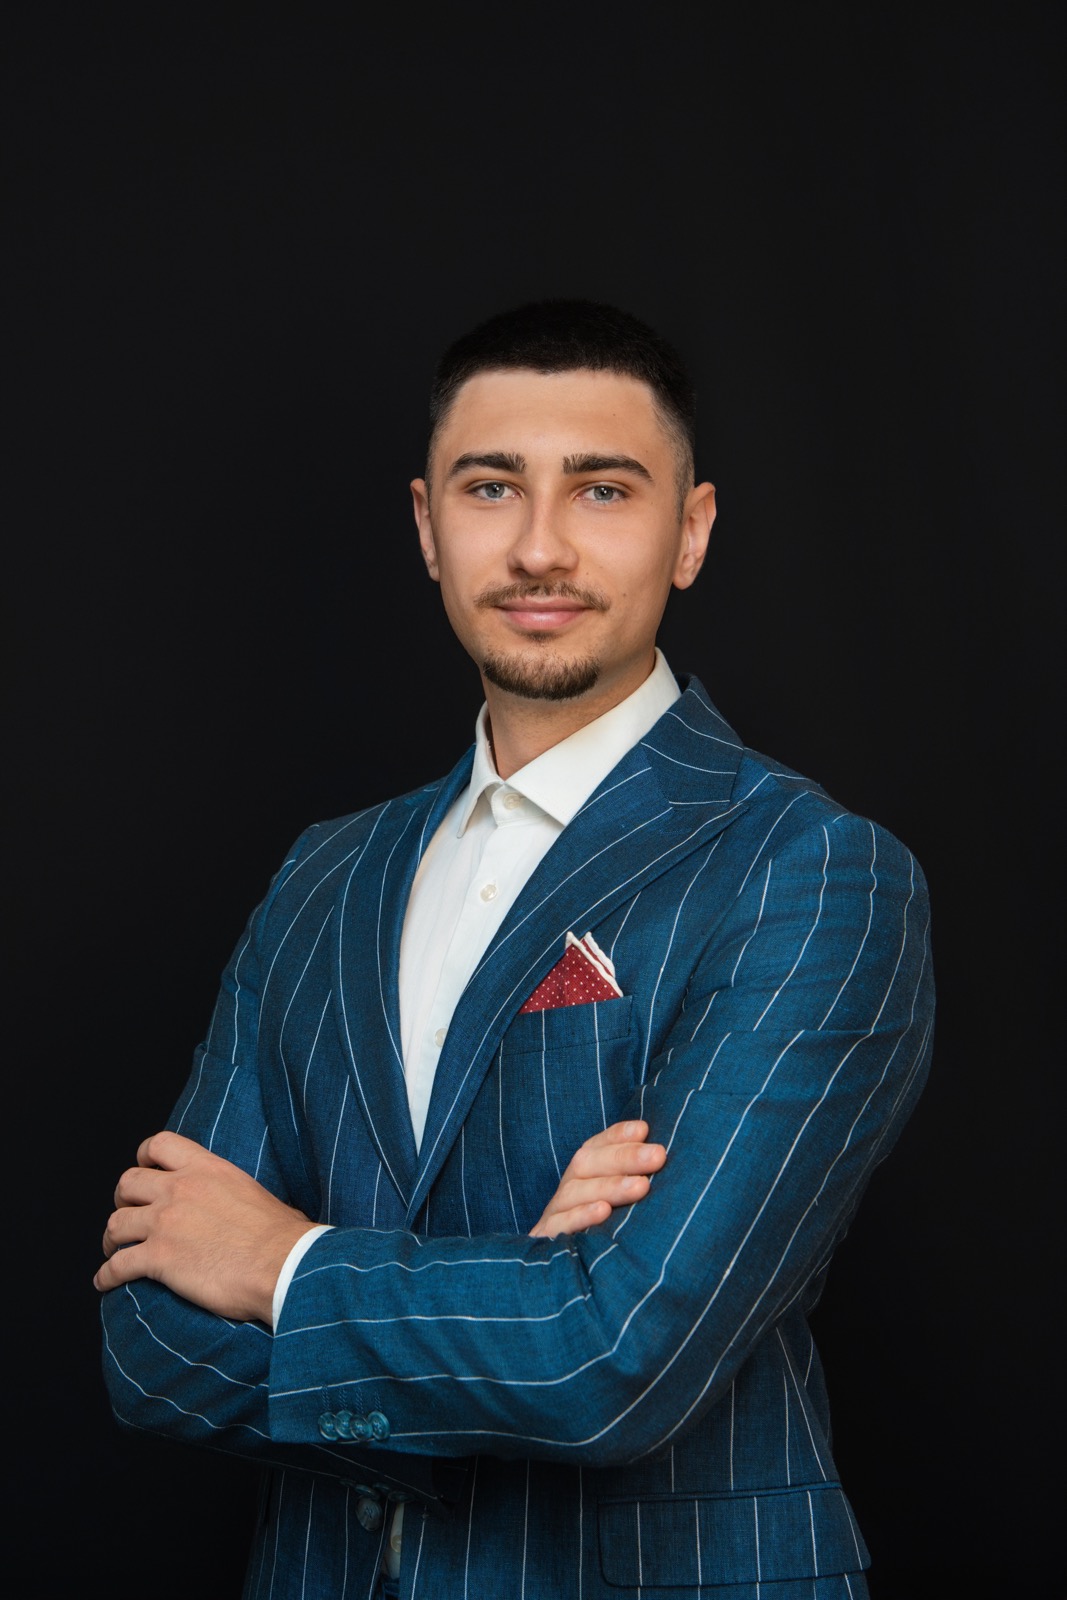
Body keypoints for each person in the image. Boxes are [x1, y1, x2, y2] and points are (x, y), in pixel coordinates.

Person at [97, 299, 933, 1599]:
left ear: (692, 530)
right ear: (428, 526)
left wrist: (281, 1263)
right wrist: (524, 1298)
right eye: (492, 488)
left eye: (603, 490)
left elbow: (619, 1362)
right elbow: (149, 1346)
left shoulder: (813, 873)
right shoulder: (323, 875)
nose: (540, 546)